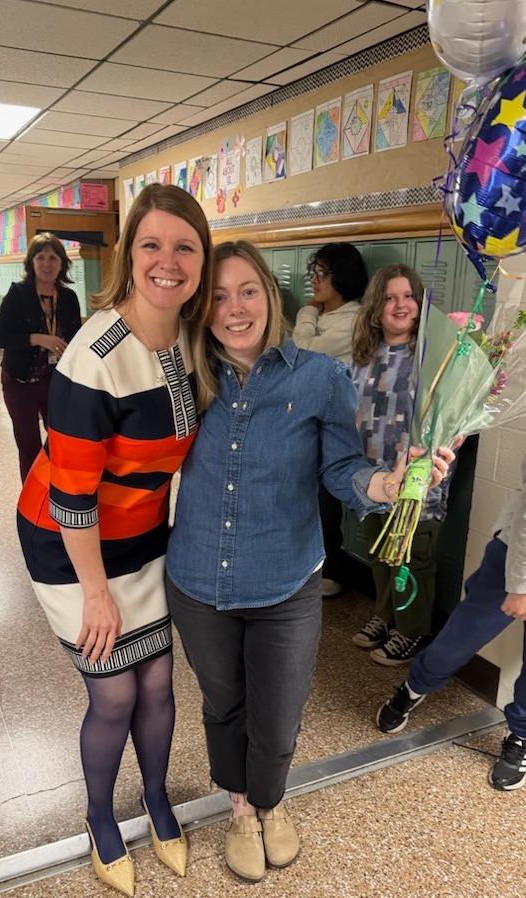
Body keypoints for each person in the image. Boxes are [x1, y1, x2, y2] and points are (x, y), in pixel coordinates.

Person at [165, 241, 451, 884]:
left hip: (286, 577)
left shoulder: (319, 376)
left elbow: (344, 467)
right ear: (201, 307)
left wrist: (386, 484)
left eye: (247, 291)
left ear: (271, 294)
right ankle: (241, 809)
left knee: (282, 706)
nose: (234, 308)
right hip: (198, 579)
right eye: (217, 294)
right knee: (223, 702)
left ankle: (271, 799)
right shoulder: (185, 377)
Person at [16, 184, 213, 896]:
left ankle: (155, 801)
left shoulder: (191, 337)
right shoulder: (94, 355)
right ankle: (100, 817)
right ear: (129, 254)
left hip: (140, 534)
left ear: (201, 260)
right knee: (114, 697)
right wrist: (96, 594)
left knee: (158, 682)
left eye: (184, 247)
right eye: (152, 244)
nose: (168, 261)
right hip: (68, 541)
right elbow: (71, 498)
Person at [377, 449, 526, 791]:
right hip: (515, 555)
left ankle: (521, 736)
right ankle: (414, 688)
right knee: (462, 635)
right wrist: (520, 583)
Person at [350, 263, 455, 666]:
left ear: (420, 301)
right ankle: (385, 615)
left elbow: (451, 421)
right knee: (381, 554)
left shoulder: (434, 356)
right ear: (376, 307)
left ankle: (412, 630)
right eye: (390, 297)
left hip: (419, 485)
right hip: (374, 479)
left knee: (413, 558)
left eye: (408, 296)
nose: (401, 305)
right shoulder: (364, 355)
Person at [292, 242, 369, 597]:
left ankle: (331, 572)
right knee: (309, 496)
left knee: (326, 500)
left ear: (344, 278)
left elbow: (303, 352)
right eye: (314, 272)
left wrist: (307, 311)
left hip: (335, 425)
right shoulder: (329, 316)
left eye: (322, 274)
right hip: (310, 419)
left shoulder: (352, 319)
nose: (315, 281)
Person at [0, 232, 82, 482]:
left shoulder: (68, 298)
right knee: (29, 445)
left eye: (53, 258)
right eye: (40, 257)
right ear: (31, 263)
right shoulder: (18, 294)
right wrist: (38, 339)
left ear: (62, 263)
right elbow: (1, 337)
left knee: (62, 439)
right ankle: (33, 503)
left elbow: (76, 338)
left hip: (56, 381)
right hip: (20, 381)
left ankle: (59, 491)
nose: (46, 264)